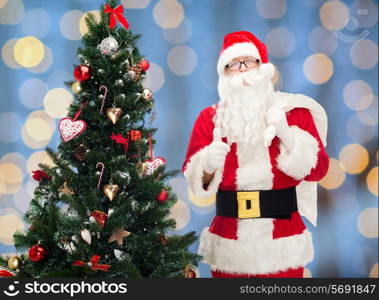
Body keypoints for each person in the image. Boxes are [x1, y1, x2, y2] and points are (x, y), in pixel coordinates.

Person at [182, 31, 329, 278]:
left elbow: (320, 170)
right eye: (233, 64)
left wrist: (288, 136)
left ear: (263, 68)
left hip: (283, 244)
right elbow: (197, 187)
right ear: (224, 73)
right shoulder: (209, 119)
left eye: (249, 61)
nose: (242, 70)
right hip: (230, 245)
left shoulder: (293, 113)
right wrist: (206, 165)